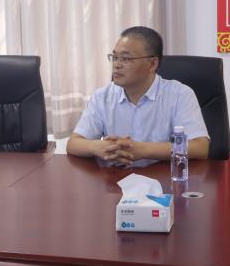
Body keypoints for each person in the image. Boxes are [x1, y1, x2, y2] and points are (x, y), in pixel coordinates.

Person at [67, 26, 209, 166]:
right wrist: (97, 146)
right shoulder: (102, 97)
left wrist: (143, 150)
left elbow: (200, 147)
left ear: (152, 64)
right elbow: (73, 143)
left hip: (161, 178)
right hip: (115, 178)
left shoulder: (180, 95)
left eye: (125, 58)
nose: (116, 65)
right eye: (114, 57)